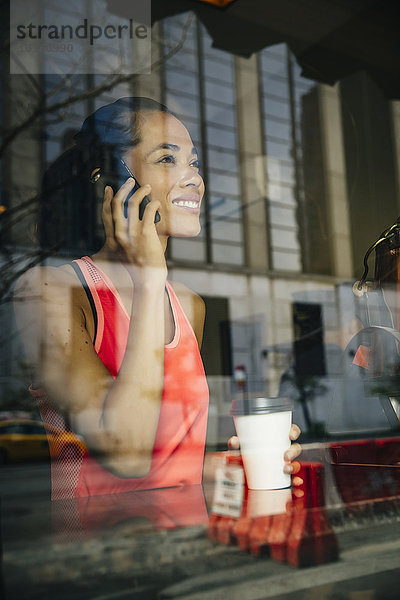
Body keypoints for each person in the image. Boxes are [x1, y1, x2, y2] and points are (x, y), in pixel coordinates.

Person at [14, 97, 301, 500]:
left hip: (189, 548)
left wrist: (235, 464)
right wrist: (148, 280)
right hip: (97, 555)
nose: (194, 178)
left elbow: (172, 462)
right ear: (110, 177)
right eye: (168, 159)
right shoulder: (50, 291)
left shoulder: (187, 304)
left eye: (195, 162)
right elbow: (127, 454)